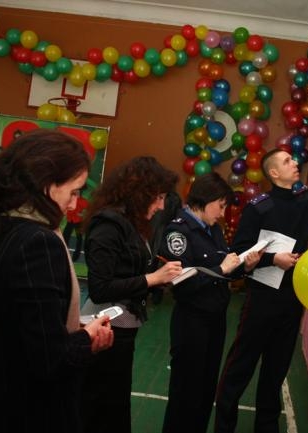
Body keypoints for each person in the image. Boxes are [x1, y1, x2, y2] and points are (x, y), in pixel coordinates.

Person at [0, 129, 115, 433]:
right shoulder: (37, 243)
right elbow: (51, 360)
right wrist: (88, 337)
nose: (74, 204)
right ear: (47, 185)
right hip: (33, 412)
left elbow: (19, 321)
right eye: (73, 192)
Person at [214, 127, 308, 433]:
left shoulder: (305, 200)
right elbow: (239, 253)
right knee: (240, 367)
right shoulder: (258, 207)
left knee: (275, 370)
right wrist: (272, 259)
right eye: (287, 161)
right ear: (273, 173)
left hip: (292, 300)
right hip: (261, 300)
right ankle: (224, 426)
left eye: (292, 159)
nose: (295, 162)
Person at [80, 156, 183, 433]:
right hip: (105, 327)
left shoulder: (132, 223)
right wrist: (152, 278)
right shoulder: (108, 225)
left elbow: (129, 272)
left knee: (115, 404)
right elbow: (100, 288)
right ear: (140, 193)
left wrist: (159, 279)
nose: (161, 206)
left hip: (122, 326)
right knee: (101, 405)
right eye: (158, 198)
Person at [159, 173, 261, 433]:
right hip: (191, 322)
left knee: (206, 390)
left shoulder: (212, 228)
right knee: (185, 392)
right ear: (205, 200)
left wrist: (245, 267)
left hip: (215, 320)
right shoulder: (178, 232)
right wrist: (222, 269)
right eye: (221, 206)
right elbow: (182, 282)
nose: (223, 214)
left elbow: (223, 269)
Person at [149, 191, 182, 304]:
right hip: (164, 233)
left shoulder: (163, 202)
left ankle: (155, 292)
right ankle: (157, 292)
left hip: (157, 231)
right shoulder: (174, 198)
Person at [63, 191, 89, 262]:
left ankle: (75, 257)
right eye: (75, 191)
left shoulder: (83, 201)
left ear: (80, 192)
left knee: (79, 239)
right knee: (65, 237)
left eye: (78, 192)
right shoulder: (70, 199)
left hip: (78, 222)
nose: (76, 193)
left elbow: (89, 210)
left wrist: (82, 214)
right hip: (70, 221)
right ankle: (63, 253)